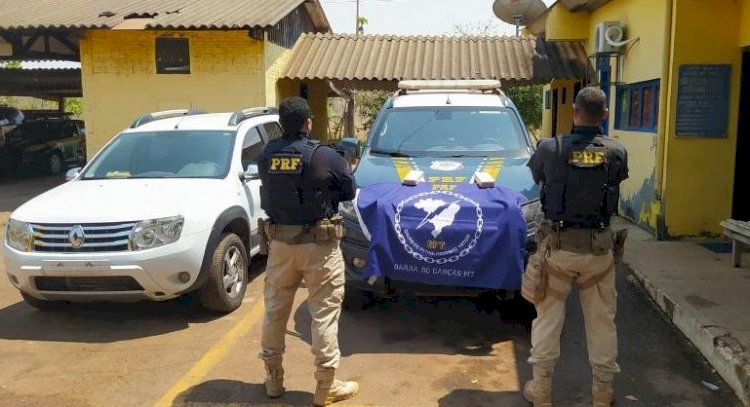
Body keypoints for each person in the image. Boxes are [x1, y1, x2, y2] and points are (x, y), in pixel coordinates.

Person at [523, 86, 629, 407]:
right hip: (598, 252)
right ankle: (603, 394)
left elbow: (537, 178)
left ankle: (541, 390)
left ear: (574, 112)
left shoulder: (549, 148)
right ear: (605, 116)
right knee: (601, 324)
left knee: (547, 321)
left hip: (557, 250)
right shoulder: (617, 152)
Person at [257, 96, 358, 406]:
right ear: (307, 123)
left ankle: (273, 380)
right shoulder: (324, 156)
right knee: (324, 314)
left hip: (281, 246)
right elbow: (348, 191)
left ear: (280, 124)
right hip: (319, 247)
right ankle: (326, 387)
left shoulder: (266, 155)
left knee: (275, 311)